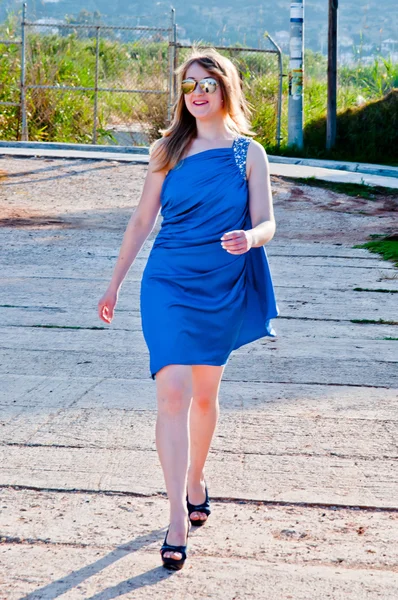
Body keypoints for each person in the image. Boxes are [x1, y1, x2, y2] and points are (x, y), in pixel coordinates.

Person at [98, 47, 279, 571]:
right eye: (189, 85)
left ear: (226, 89)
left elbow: (267, 221)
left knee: (204, 396)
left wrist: (251, 236)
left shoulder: (250, 154)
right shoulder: (166, 150)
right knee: (172, 392)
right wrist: (113, 286)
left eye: (207, 84)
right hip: (168, 282)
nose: (197, 93)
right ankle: (177, 513)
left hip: (221, 282)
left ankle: (196, 475)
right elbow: (139, 222)